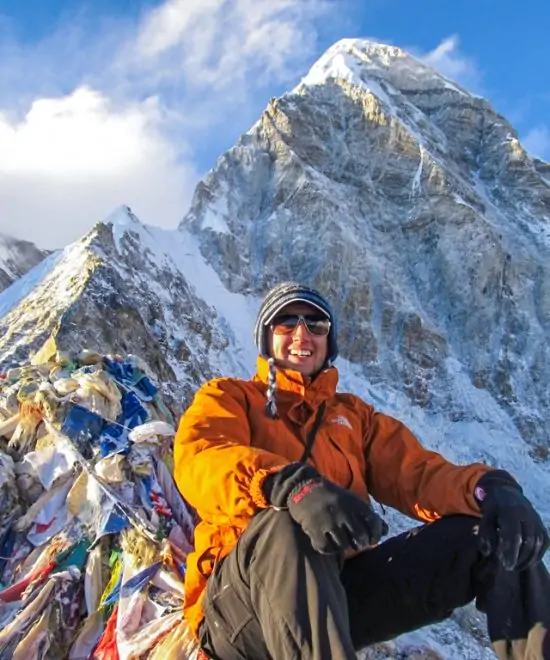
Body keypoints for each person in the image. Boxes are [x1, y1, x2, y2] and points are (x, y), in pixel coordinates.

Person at [173, 282, 550, 660]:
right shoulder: (230, 398)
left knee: (491, 533)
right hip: (240, 610)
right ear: (266, 338)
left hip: (335, 596)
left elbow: (418, 474)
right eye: (286, 322)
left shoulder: (353, 417)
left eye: (316, 324)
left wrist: (489, 489)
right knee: (287, 523)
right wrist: (289, 486)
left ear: (329, 340)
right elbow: (202, 459)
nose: (301, 333)